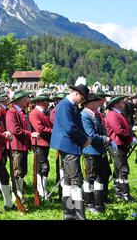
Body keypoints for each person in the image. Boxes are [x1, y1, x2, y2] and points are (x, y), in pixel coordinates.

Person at [50, 84, 97, 220]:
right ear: (76, 94)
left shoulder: (71, 105)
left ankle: (70, 213)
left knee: (69, 179)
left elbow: (77, 125)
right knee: (76, 179)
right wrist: (84, 139)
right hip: (68, 145)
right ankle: (77, 214)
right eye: (81, 98)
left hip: (70, 145)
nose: (82, 101)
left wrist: (86, 137)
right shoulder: (65, 105)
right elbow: (70, 128)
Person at [81, 93, 115, 213]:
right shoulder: (85, 115)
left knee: (100, 177)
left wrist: (105, 137)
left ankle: (99, 203)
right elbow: (90, 134)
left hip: (98, 150)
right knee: (90, 178)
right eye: (96, 101)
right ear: (89, 103)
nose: (98, 103)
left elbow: (99, 131)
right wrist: (105, 139)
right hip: (90, 151)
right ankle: (89, 204)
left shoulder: (94, 115)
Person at [6, 90, 40, 201]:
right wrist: (30, 134)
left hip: (22, 145)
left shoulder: (21, 111)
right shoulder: (12, 112)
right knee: (17, 171)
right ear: (20, 100)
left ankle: (19, 193)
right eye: (26, 98)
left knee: (22, 171)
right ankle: (15, 195)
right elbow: (14, 130)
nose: (28, 100)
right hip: (16, 146)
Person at [105, 96, 137, 202]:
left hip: (121, 144)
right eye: (121, 101)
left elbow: (126, 127)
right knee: (123, 169)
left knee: (118, 169)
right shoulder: (112, 114)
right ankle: (124, 194)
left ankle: (119, 193)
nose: (123, 103)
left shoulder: (117, 113)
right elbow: (119, 131)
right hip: (117, 145)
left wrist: (132, 135)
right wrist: (130, 138)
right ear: (115, 104)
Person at [29, 92, 53, 200]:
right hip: (39, 143)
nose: (48, 103)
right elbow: (40, 128)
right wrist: (53, 131)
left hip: (44, 143)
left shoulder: (44, 113)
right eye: (46, 101)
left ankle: (43, 190)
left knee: (44, 167)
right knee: (42, 167)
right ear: (40, 102)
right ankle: (40, 190)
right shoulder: (34, 113)